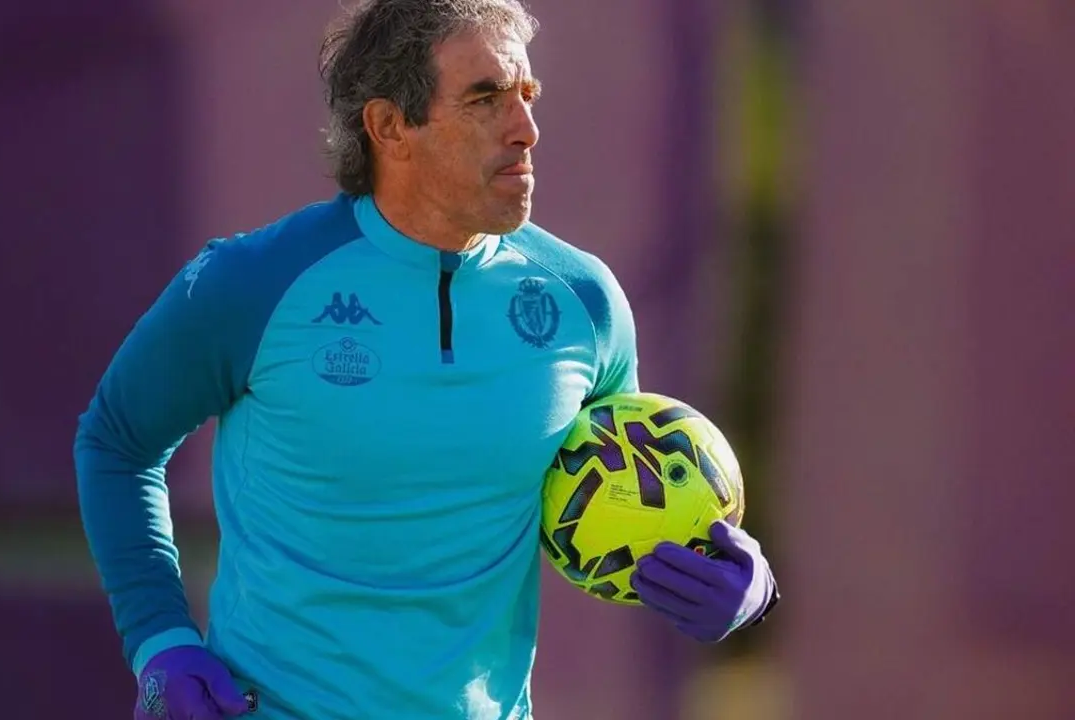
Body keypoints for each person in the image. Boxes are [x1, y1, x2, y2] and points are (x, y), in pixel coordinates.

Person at [74, 1, 779, 718]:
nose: (526, 130)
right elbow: (116, 442)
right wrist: (159, 638)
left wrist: (740, 583)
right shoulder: (249, 284)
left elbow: (619, 492)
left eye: (527, 97)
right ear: (389, 127)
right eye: (485, 99)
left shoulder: (584, 302)